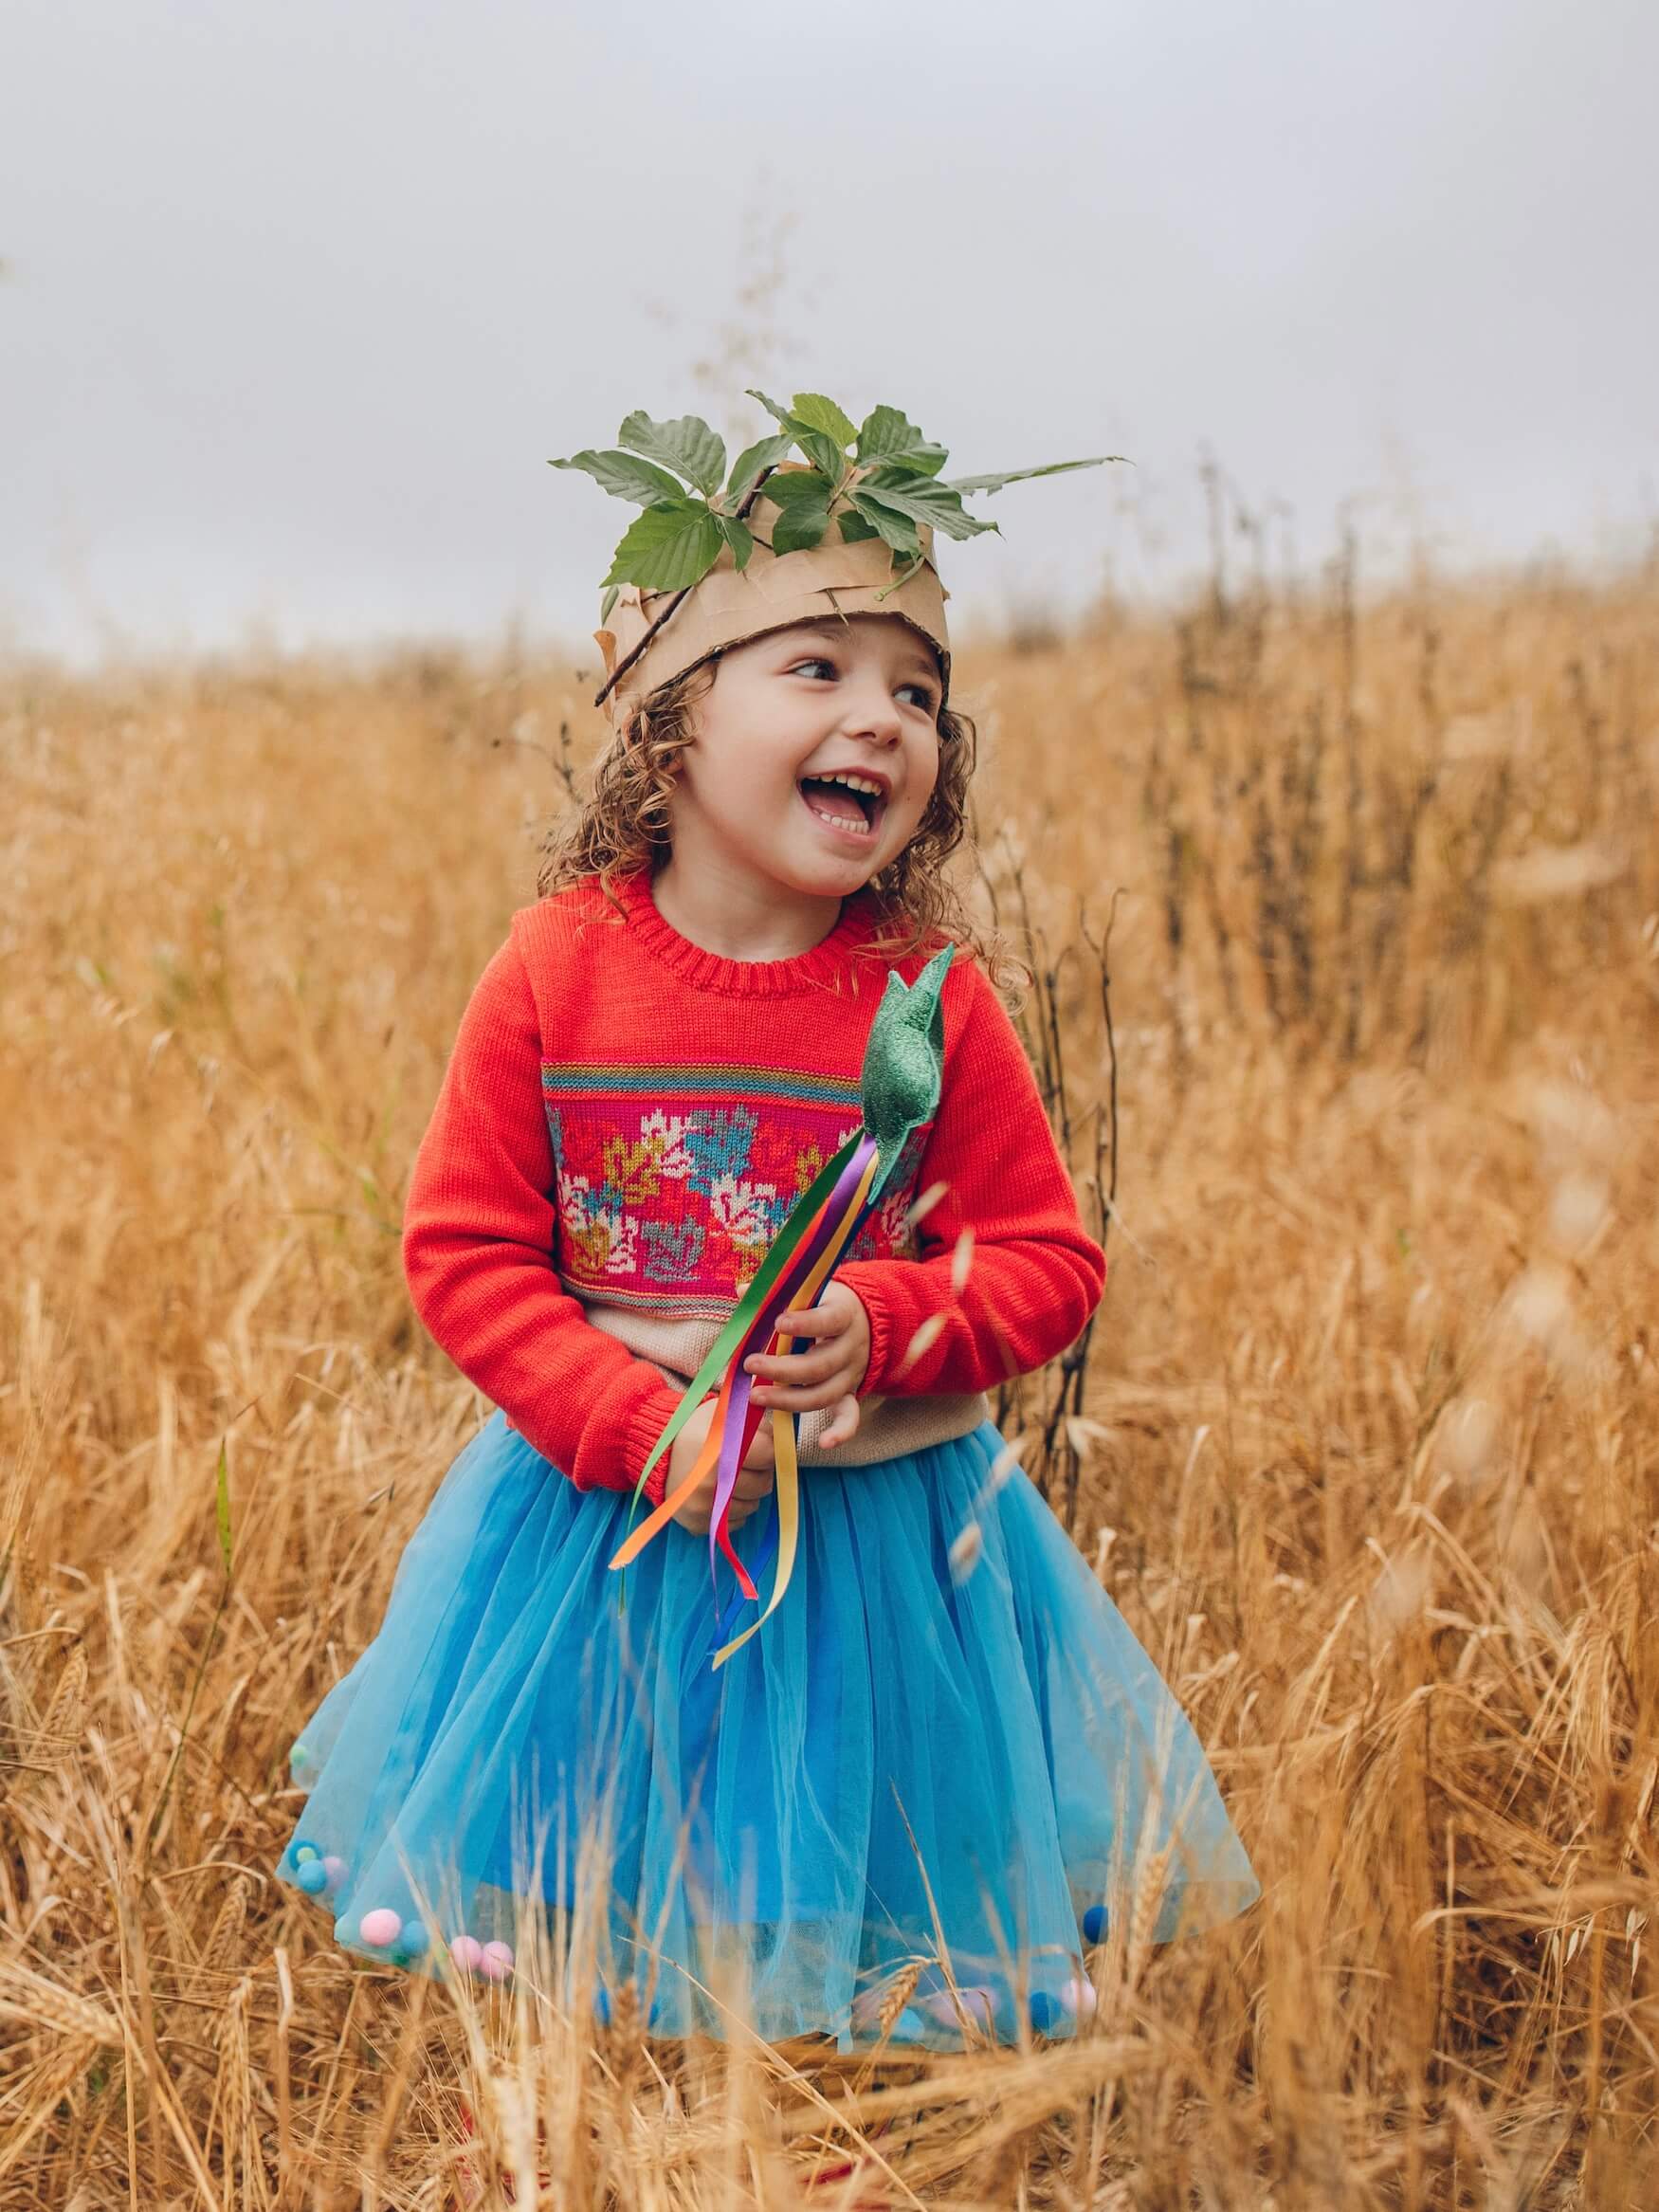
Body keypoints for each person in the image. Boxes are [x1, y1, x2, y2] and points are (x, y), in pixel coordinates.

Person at [274, 406, 1259, 2054]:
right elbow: (464, 1254)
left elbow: (1045, 1264)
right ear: (669, 727)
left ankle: (822, 2081)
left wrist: (886, 1318)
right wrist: (628, 1424)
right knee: (596, 1911)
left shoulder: (927, 996)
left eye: (918, 692)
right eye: (817, 670)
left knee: (852, 1908)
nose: (881, 718)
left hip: (879, 1538)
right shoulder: (555, 968)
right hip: (605, 1519)